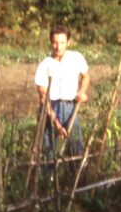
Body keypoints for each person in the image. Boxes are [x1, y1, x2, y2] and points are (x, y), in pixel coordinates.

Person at [35, 25, 90, 159]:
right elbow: (43, 99)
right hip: (51, 110)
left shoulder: (76, 58)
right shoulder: (45, 65)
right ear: (51, 42)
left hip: (71, 108)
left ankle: (76, 177)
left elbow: (86, 76)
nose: (58, 46)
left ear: (68, 42)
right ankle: (49, 179)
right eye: (55, 42)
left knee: (76, 149)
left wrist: (81, 92)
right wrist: (58, 125)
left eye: (62, 43)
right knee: (49, 152)